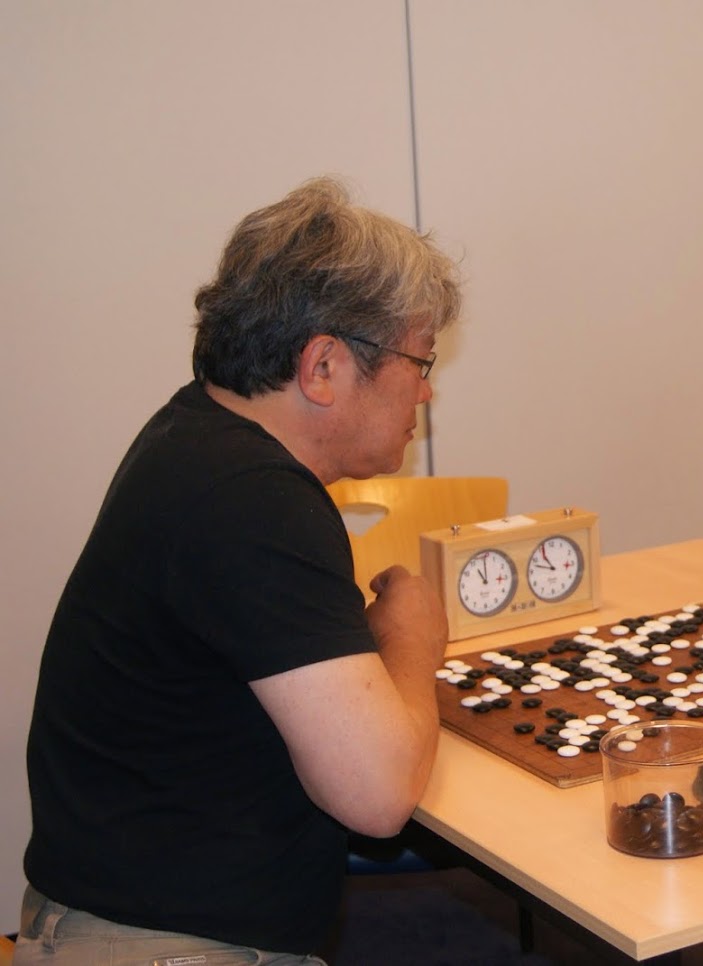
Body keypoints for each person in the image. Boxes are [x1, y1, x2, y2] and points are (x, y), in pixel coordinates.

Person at [18, 178, 458, 965]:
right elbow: (379, 796)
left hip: (120, 918)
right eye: (419, 360)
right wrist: (412, 640)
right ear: (323, 366)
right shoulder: (255, 500)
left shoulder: (196, 432)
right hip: (166, 945)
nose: (425, 389)